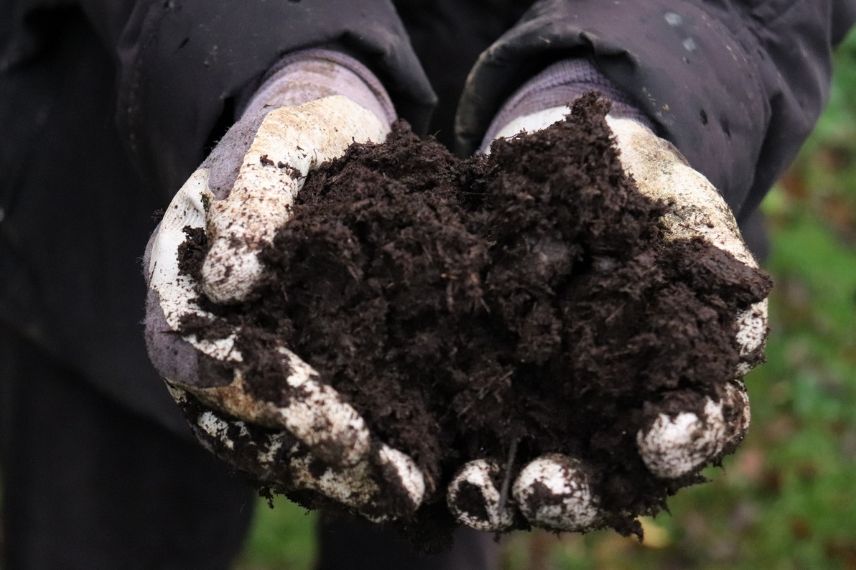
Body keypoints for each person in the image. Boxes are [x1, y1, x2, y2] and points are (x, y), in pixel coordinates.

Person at [1, 1, 854, 569]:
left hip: (478, 398)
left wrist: (608, 90)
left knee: (439, 501)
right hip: (127, 163)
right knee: (102, 526)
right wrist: (285, 56)